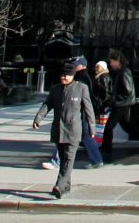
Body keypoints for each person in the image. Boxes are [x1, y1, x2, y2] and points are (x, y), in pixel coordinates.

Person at [32, 59, 95, 199]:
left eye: (66, 75)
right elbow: (47, 105)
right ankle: (66, 186)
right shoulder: (56, 89)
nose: (63, 77)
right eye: (62, 75)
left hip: (73, 131)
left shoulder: (81, 88)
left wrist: (92, 127)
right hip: (58, 130)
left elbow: (88, 109)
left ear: (73, 75)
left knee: (68, 160)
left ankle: (59, 185)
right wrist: (38, 118)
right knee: (63, 158)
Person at [100, 50, 138, 161]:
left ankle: (106, 148)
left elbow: (128, 90)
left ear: (117, 61)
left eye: (112, 62)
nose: (111, 64)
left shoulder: (124, 72)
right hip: (122, 103)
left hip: (122, 104)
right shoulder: (121, 71)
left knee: (109, 126)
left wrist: (116, 100)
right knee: (126, 125)